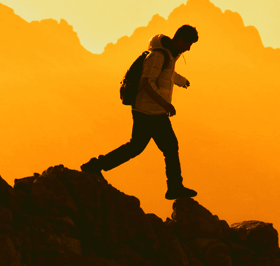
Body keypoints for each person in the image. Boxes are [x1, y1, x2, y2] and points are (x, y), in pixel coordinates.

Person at [83, 24, 199, 198]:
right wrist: (165, 104)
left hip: (149, 111)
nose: (189, 48)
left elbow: (166, 75)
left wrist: (181, 81)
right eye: (188, 43)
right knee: (170, 147)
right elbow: (147, 81)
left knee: (136, 147)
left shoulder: (168, 55)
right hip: (149, 112)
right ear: (181, 39)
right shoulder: (158, 55)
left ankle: (95, 166)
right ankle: (174, 187)